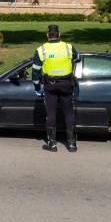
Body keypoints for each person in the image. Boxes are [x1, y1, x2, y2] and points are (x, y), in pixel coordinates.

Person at [32, 24, 80, 152]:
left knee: (51, 113)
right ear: (59, 35)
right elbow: (78, 58)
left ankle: (52, 144)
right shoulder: (68, 47)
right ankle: (71, 144)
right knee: (69, 112)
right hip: (66, 84)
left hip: (50, 85)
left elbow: (35, 71)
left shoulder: (41, 50)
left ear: (48, 35)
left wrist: (37, 87)